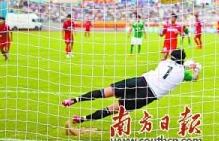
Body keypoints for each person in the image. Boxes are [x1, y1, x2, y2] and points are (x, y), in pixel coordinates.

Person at [62, 49, 201, 124]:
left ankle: (74, 100)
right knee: (111, 109)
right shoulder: (183, 74)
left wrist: (185, 64)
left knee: (105, 91)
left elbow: (172, 62)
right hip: (148, 95)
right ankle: (82, 119)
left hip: (141, 81)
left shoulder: (163, 63)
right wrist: (196, 69)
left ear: (172, 57)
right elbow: (193, 78)